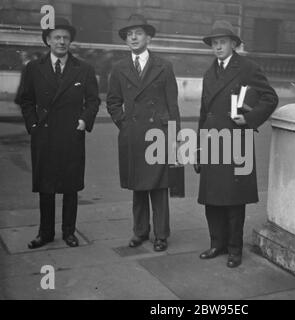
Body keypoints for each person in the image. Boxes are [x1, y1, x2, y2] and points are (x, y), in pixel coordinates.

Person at [195, 20, 279, 268]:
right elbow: (202, 113)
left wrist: (250, 118)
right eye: (214, 43)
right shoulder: (209, 73)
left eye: (222, 42)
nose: (218, 47)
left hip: (235, 141)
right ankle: (216, 244)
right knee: (212, 198)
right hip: (211, 142)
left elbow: (270, 97)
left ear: (233, 44)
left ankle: (234, 249)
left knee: (233, 198)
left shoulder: (247, 68)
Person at [18, 17, 100, 249]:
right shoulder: (34, 68)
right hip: (44, 134)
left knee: (70, 185)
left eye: (65, 38)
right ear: (48, 40)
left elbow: (93, 100)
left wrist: (84, 120)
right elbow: (26, 100)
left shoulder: (83, 69)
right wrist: (33, 125)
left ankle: (68, 232)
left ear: (70, 41)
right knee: (46, 185)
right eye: (57, 37)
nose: (62, 42)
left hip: (72, 133)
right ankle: (45, 233)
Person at [107, 14, 181, 252]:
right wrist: (125, 123)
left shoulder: (164, 66)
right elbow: (113, 102)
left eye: (138, 33)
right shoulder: (119, 68)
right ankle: (140, 232)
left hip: (158, 134)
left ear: (148, 37)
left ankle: (161, 235)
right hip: (134, 134)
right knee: (138, 187)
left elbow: (173, 104)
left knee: (159, 188)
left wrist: (175, 136)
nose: (133, 38)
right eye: (129, 34)